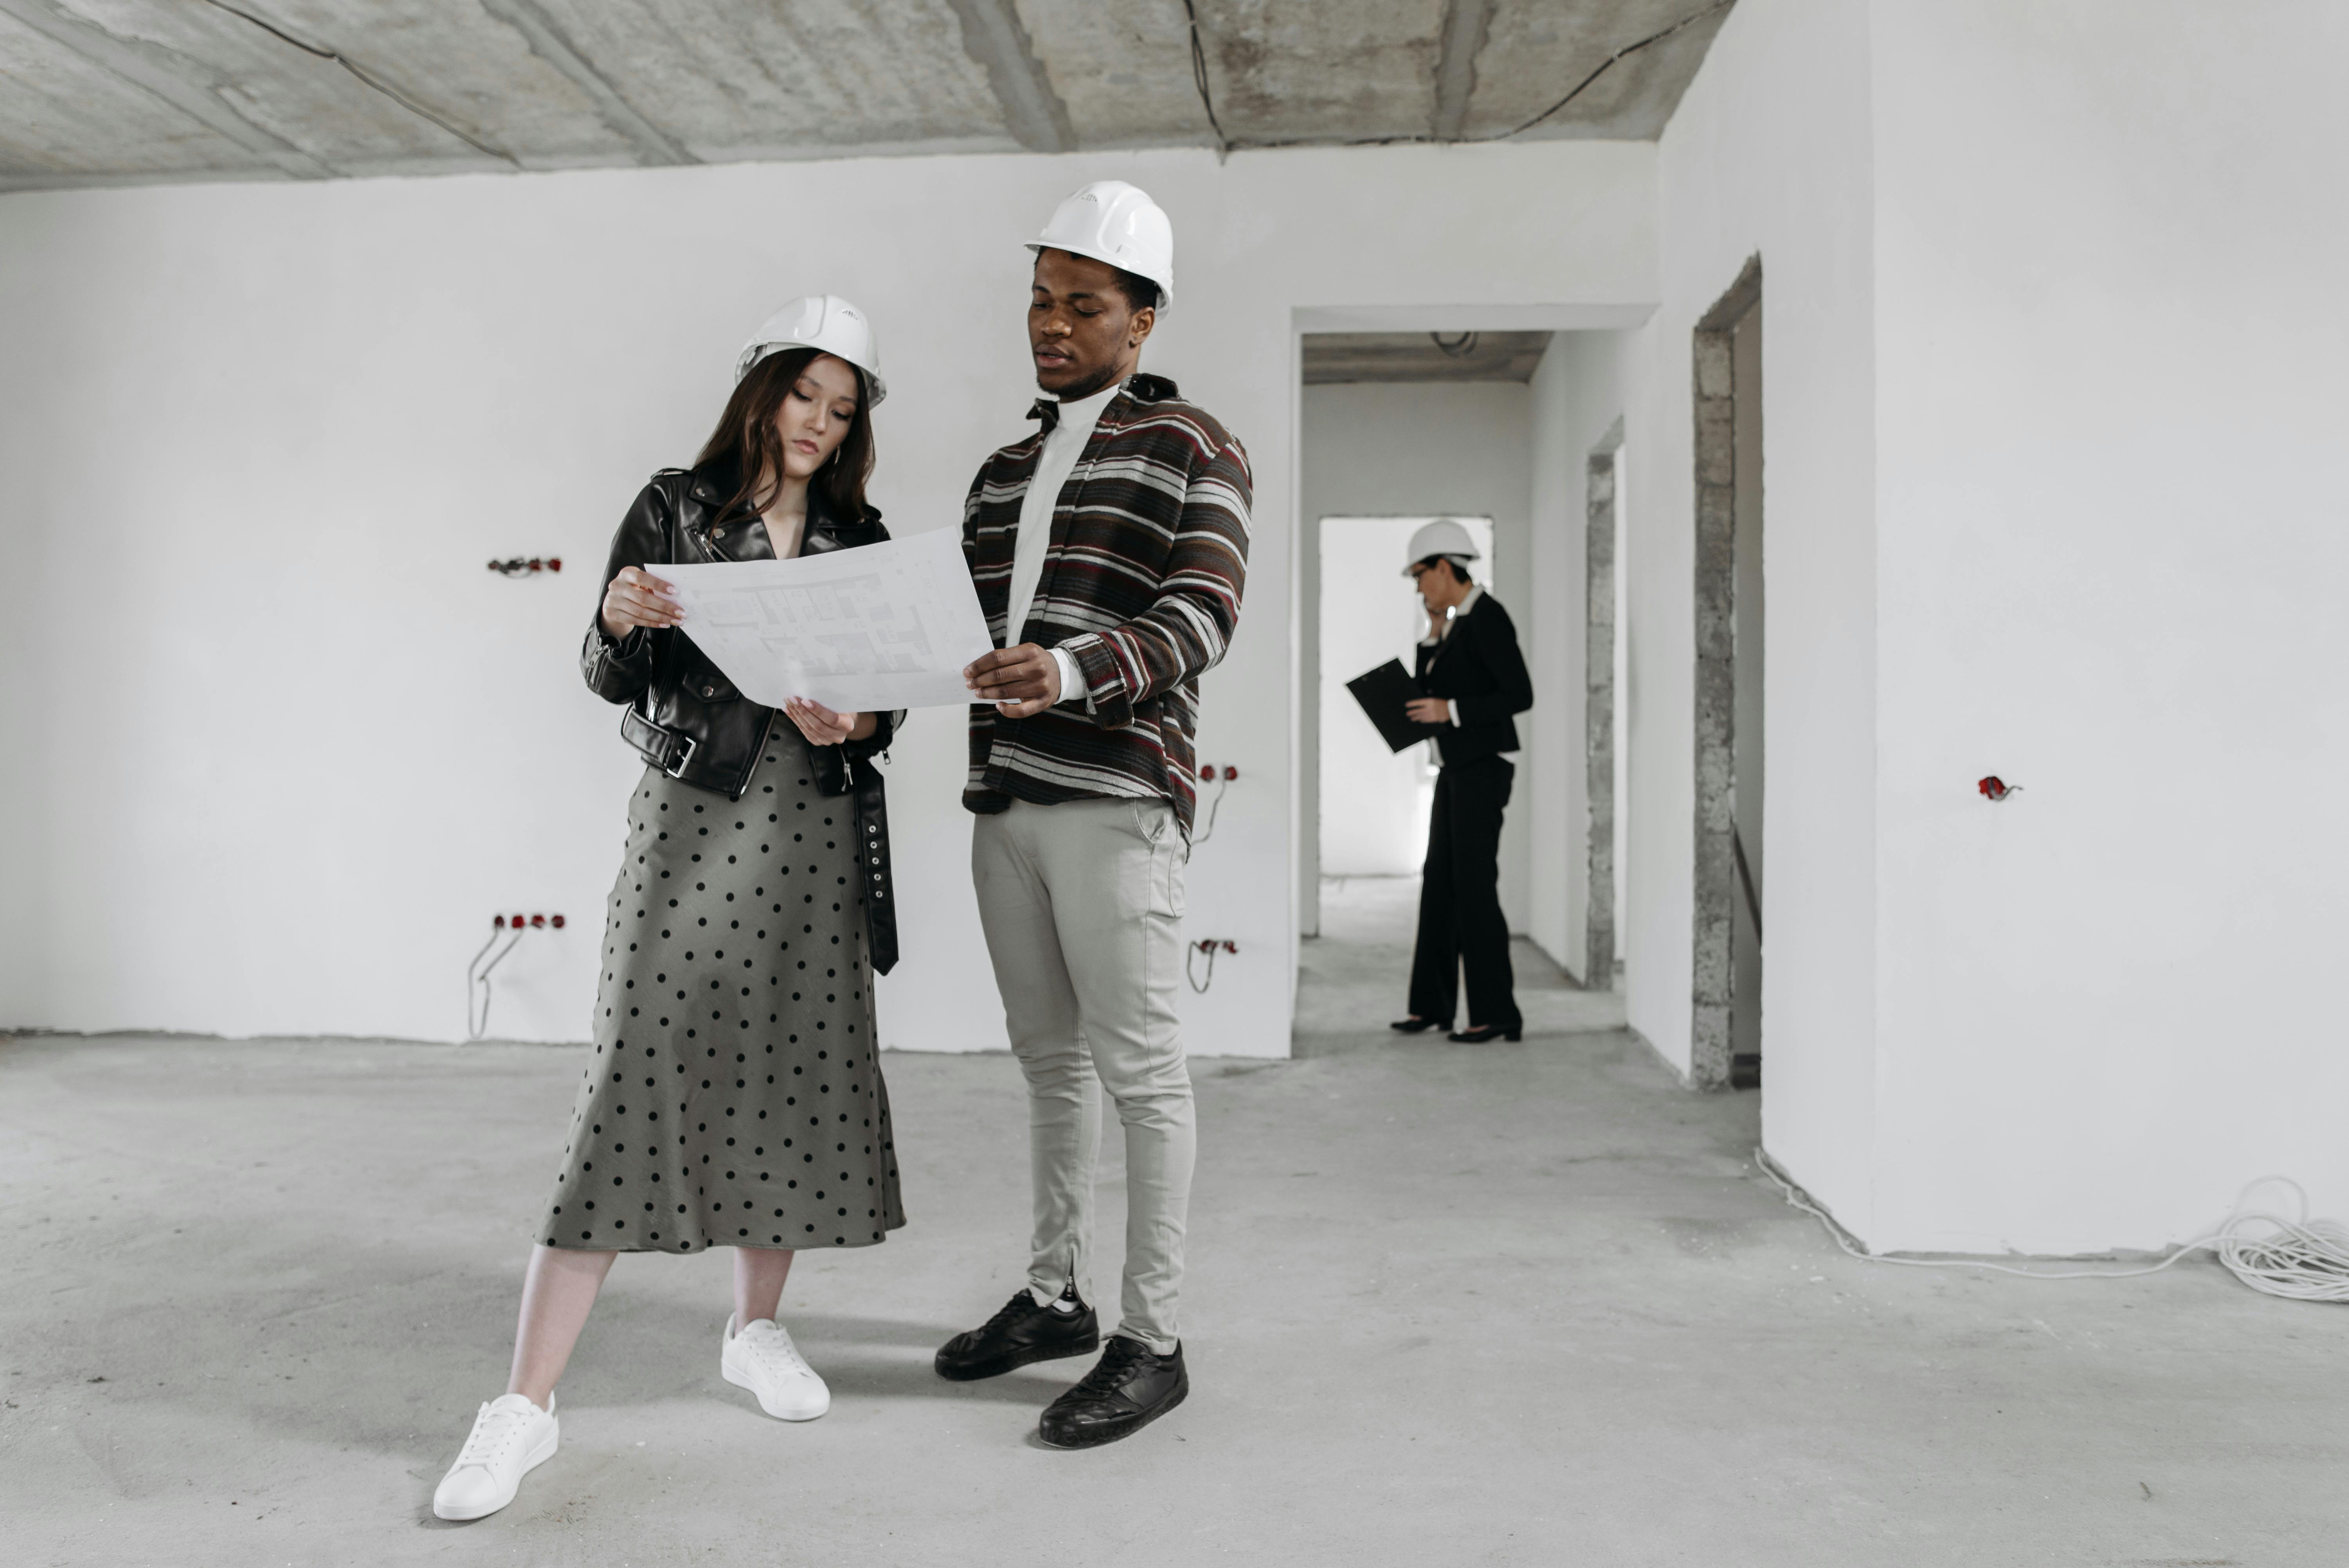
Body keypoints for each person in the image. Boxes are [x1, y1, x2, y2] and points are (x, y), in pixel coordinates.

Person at [432, 295, 906, 1522]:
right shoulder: (674, 507)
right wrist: (613, 617)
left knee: (789, 1073)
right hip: (693, 816)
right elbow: (607, 673)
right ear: (761, 392)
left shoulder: (864, 535)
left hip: (812, 826)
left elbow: (883, 702)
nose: (819, 421)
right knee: (632, 1074)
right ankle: (525, 1407)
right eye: (804, 394)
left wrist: (856, 717)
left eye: (841, 407)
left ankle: (753, 1330)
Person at [937, 180, 1251, 1449]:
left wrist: (1071, 670)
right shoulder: (1004, 467)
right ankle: (1056, 1296)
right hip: (1003, 800)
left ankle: (1153, 1338)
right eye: (1038, 300)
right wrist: (864, 693)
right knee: (1048, 1066)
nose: (1049, 324)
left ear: (1141, 321)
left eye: (1081, 305)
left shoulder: (1195, 448)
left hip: (1117, 798)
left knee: (1140, 1074)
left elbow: (1204, 615)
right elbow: (950, 634)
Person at [1389, 519, 1534, 1044]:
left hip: (1482, 770)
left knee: (1474, 889)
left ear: (1445, 567)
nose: (1418, 585)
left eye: (1420, 574)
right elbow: (1426, 689)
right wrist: (1431, 635)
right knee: (1439, 885)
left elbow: (1519, 694)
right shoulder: (1455, 623)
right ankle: (1431, 1005)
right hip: (1456, 770)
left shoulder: (1488, 618)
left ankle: (1497, 1014)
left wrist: (1450, 710)